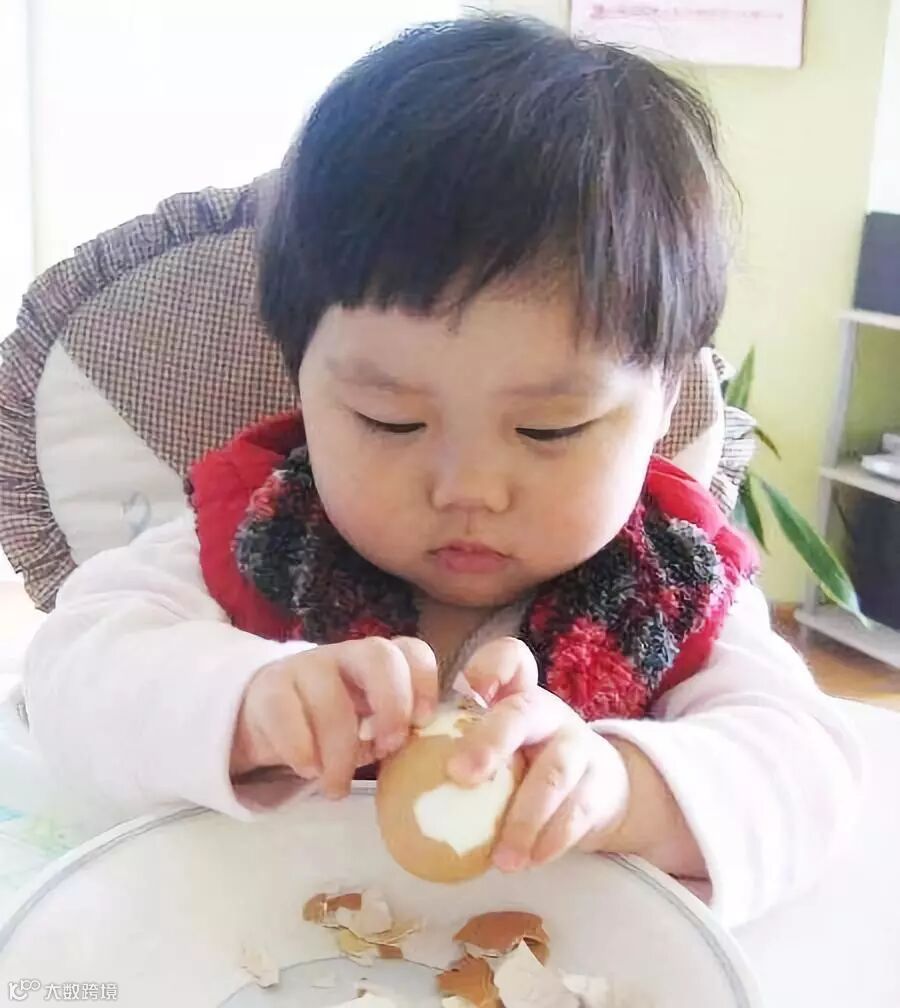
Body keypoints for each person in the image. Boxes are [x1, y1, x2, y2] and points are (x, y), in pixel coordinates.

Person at [23, 15, 859, 928]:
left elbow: (807, 777)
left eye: (548, 428)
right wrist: (248, 705)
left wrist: (624, 789)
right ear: (301, 378)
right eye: (392, 420)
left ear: (663, 411)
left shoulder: (672, 591)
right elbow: (68, 681)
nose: (468, 489)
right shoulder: (257, 542)